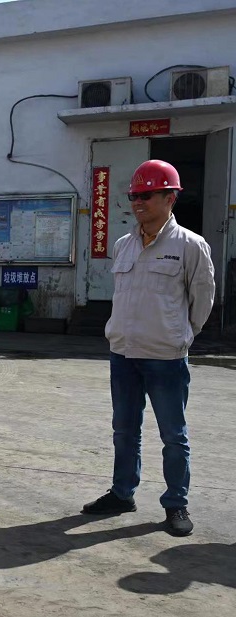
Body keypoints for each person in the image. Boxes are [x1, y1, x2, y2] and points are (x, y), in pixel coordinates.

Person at [84, 159, 215, 537]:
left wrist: (180, 334)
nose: (138, 202)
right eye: (134, 196)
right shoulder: (123, 245)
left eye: (147, 195)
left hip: (165, 357)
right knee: (124, 431)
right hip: (123, 354)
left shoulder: (190, 245)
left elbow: (202, 299)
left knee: (173, 435)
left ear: (170, 197)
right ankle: (122, 493)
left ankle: (176, 503)